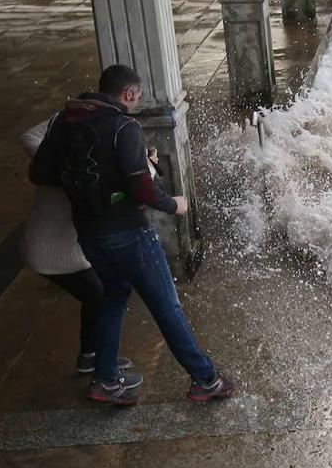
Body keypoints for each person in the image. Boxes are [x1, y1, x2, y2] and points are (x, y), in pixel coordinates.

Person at [30, 65, 235, 406]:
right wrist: (173, 204)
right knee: (166, 305)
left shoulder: (65, 121)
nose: (136, 105)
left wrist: (97, 185)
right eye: (137, 99)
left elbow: (40, 172)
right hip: (127, 233)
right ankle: (206, 378)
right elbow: (140, 188)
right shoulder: (123, 126)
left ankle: (106, 381)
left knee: (114, 296)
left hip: (89, 233)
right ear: (128, 94)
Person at [20, 120, 134, 376]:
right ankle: (95, 359)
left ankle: (90, 355)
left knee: (97, 296)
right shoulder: (80, 176)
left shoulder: (64, 163)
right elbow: (116, 198)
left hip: (60, 248)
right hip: (54, 254)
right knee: (101, 295)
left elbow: (30, 135)